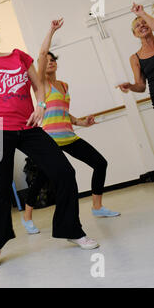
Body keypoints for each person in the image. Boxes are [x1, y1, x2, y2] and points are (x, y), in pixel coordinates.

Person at [0, 13, 99, 270]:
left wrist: (42, 105)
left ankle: (71, 229)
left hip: (28, 125)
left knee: (64, 171)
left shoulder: (18, 57)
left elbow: (39, 85)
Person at [21, 19, 120, 235]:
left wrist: (81, 122)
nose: (50, 62)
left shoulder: (64, 85)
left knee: (100, 163)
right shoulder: (42, 84)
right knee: (41, 179)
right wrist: (52, 30)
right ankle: (27, 218)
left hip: (69, 136)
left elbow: (63, 112)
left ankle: (97, 207)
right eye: (46, 61)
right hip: (50, 140)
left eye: (52, 60)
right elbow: (41, 53)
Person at [117, 2, 154, 108]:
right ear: (135, 34)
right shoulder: (135, 58)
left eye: (144, 22)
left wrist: (142, 13)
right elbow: (141, 86)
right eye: (137, 26)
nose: (142, 25)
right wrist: (130, 86)